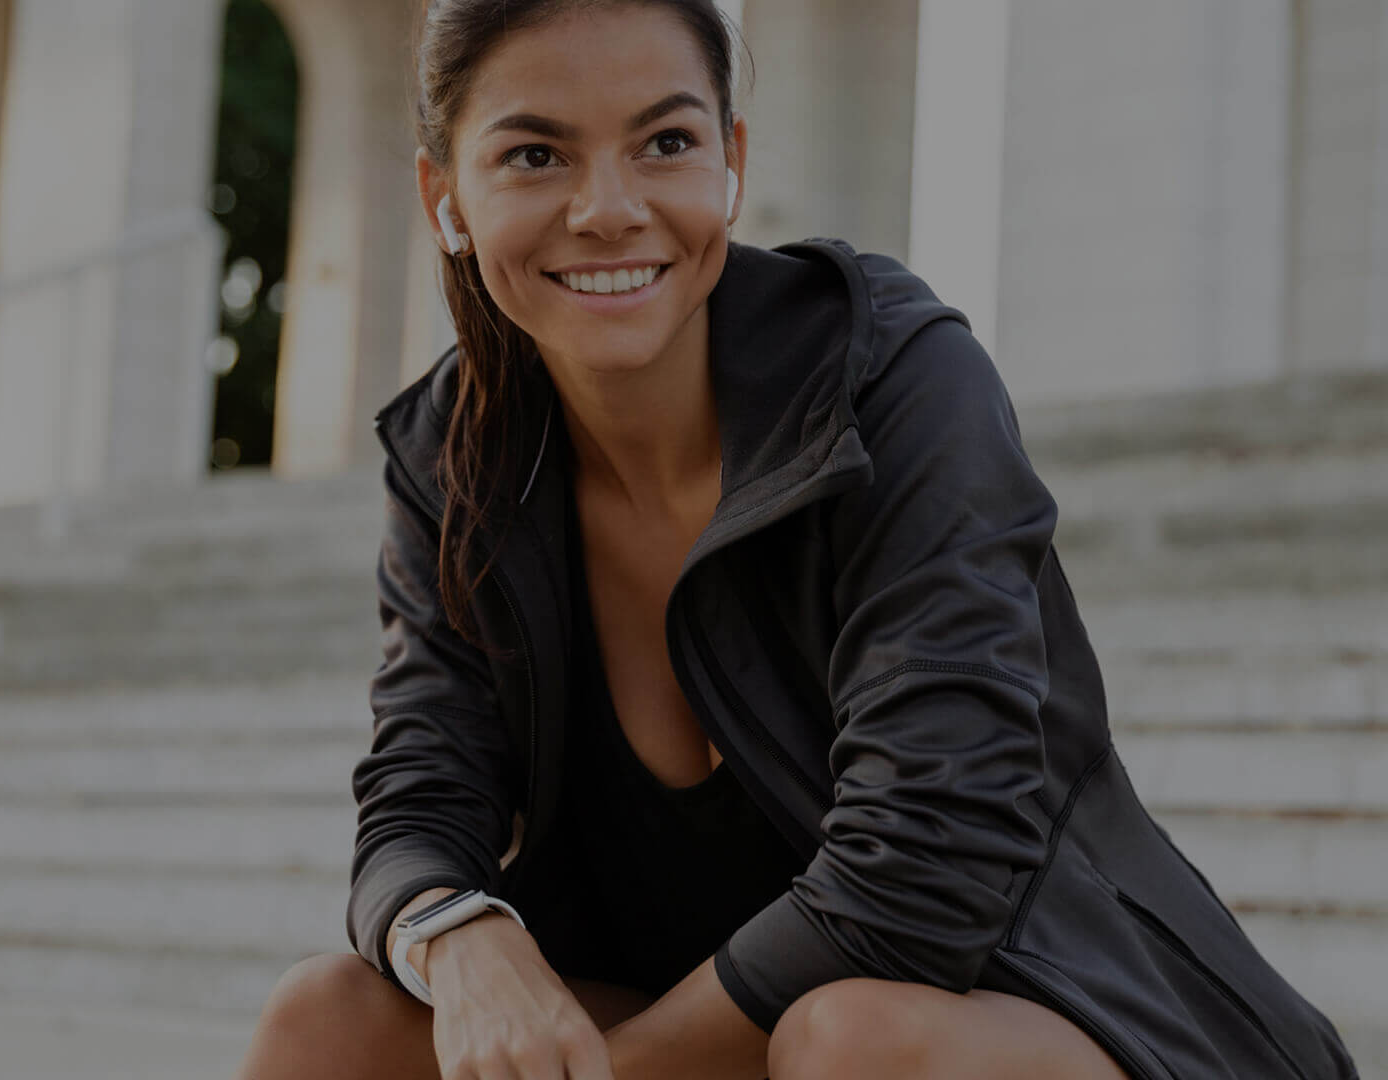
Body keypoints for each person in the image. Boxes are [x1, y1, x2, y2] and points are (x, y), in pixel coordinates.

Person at [233, 2, 1361, 1078]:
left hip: (1046, 1019)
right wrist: (460, 936)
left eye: (663, 142)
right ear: (446, 199)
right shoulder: (455, 454)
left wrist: (606, 1076)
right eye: (536, 156)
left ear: (729, 159)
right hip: (733, 1034)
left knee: (846, 1044)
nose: (609, 207)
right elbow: (421, 796)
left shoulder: (889, 381)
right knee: (327, 1023)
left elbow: (929, 862)